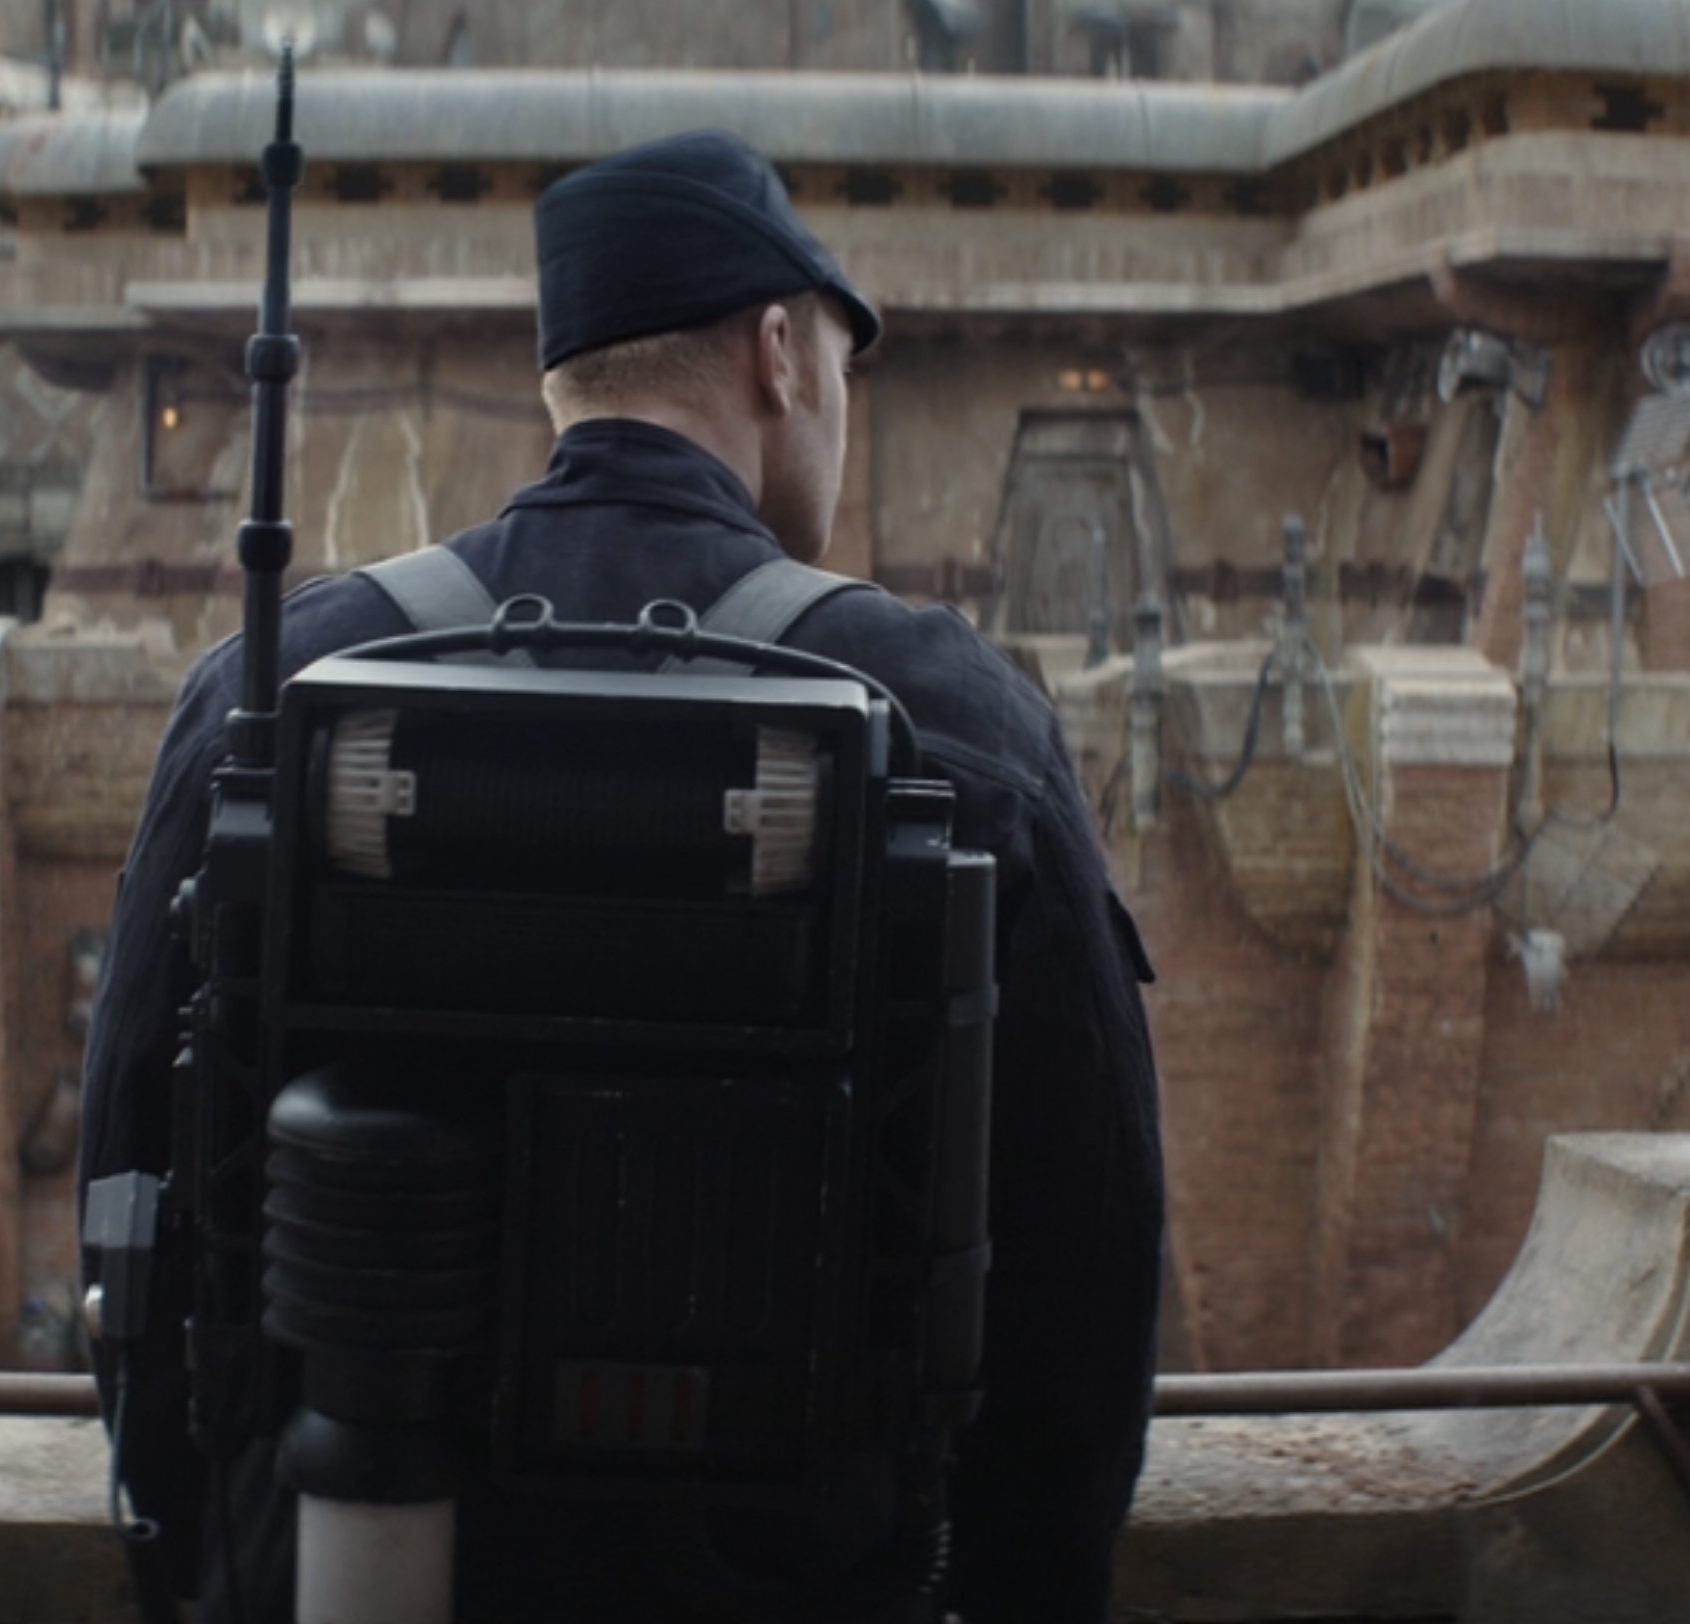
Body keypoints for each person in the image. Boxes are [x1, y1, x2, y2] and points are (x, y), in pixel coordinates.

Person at [78, 129, 1165, 1624]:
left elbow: (137, 1199)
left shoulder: (277, 691)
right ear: (779, 352)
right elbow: (1082, 1305)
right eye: (846, 368)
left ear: (564, 380)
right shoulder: (954, 720)